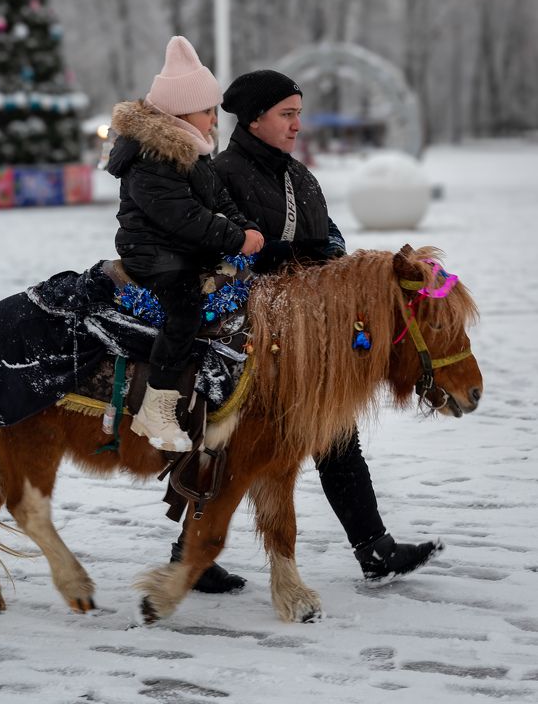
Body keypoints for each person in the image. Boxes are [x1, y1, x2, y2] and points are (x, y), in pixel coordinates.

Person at [170, 69, 441, 590]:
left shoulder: (299, 177)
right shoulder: (221, 174)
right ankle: (190, 553)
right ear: (255, 119)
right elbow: (214, 251)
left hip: (308, 334)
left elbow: (328, 236)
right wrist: (282, 257)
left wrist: (336, 259)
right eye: (287, 114)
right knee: (228, 444)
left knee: (336, 435)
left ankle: (374, 548)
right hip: (249, 334)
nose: (297, 124)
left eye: (299, 113)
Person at [107, 37, 264, 454]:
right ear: (179, 113)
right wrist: (235, 238)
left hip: (182, 248)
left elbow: (219, 201)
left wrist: (246, 227)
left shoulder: (194, 151)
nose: (214, 119)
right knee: (185, 310)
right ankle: (156, 404)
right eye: (207, 111)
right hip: (155, 253)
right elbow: (181, 216)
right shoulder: (152, 156)